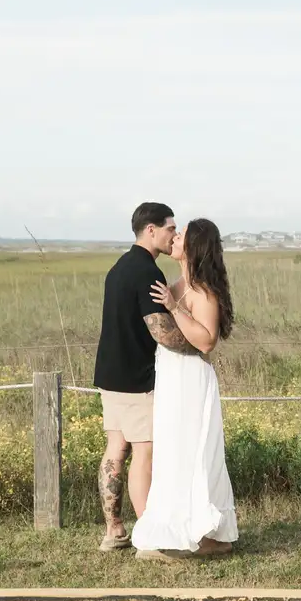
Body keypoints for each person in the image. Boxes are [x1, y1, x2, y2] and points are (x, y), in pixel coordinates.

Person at [131, 218, 238, 558]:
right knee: (172, 452)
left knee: (193, 453)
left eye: (181, 234)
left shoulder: (204, 291)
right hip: (172, 377)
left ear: (194, 247)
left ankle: (209, 534)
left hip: (191, 380)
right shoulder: (178, 283)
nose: (174, 238)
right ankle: (178, 527)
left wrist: (175, 307)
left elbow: (206, 341)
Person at [93, 202, 177, 550]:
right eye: (171, 228)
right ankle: (148, 533)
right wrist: (199, 339)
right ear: (152, 230)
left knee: (116, 448)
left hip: (110, 373)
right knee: (146, 452)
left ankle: (113, 530)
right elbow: (161, 332)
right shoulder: (147, 273)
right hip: (138, 377)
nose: (175, 235)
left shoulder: (119, 268)